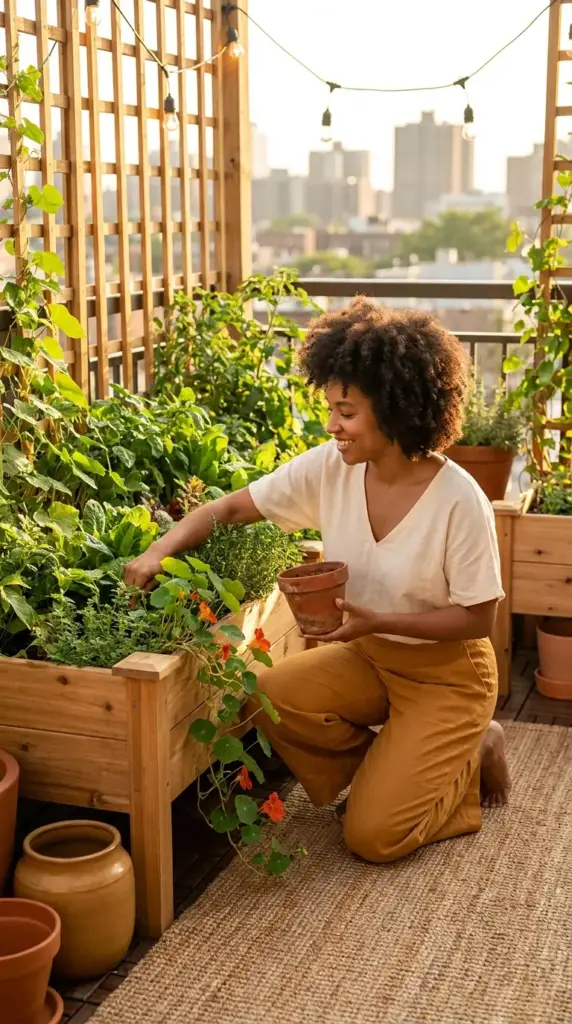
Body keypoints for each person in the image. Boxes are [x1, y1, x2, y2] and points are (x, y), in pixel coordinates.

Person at [125, 298, 511, 865]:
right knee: (268, 693)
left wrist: (379, 620)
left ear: (396, 409)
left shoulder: (459, 500)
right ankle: (398, 766)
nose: (333, 425)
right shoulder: (331, 467)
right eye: (331, 408)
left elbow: (480, 618)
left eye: (347, 412)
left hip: (448, 674)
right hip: (368, 658)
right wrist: (157, 549)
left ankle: (475, 753)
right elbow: (231, 508)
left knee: (372, 838)